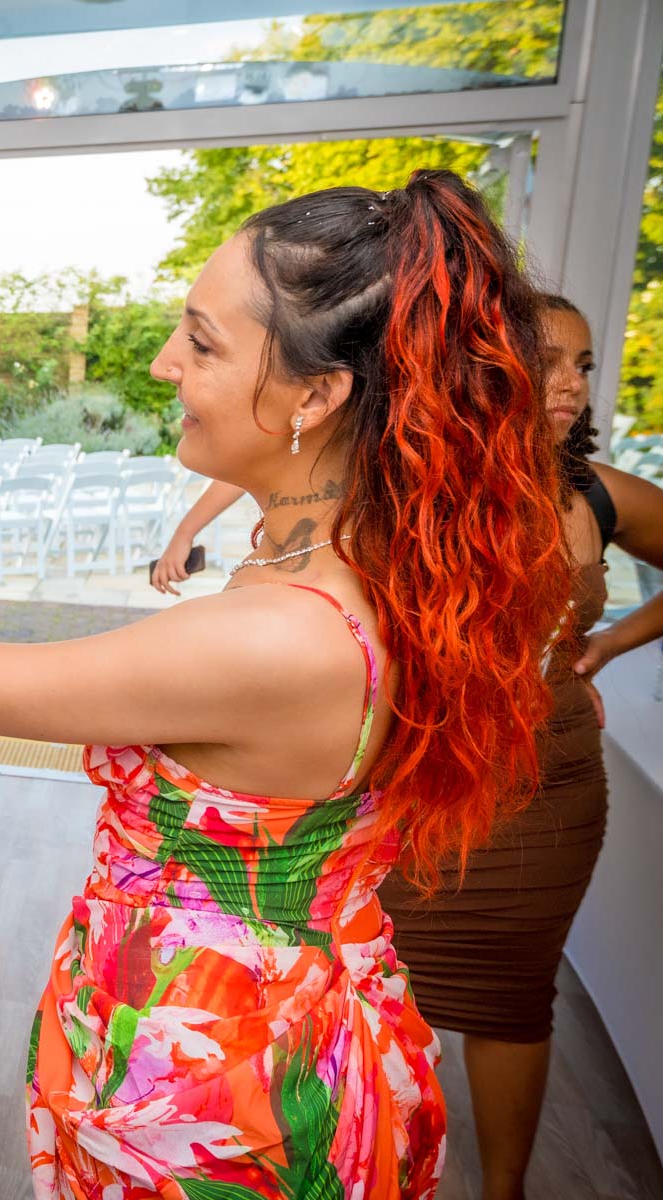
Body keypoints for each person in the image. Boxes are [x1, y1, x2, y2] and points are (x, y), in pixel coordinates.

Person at [0, 170, 572, 1198]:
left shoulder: (280, 638)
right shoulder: (393, 570)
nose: (166, 362)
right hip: (294, 1020)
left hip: (219, 1080)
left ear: (317, 395)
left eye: (204, 342)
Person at [375, 293, 663, 1200]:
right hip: (410, 784)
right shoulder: (402, 482)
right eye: (549, 362)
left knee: (510, 998)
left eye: (582, 364)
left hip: (548, 790)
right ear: (483, 369)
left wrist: (609, 643)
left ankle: (504, 1193)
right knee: (372, 988)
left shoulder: (592, 493)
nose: (572, 384)